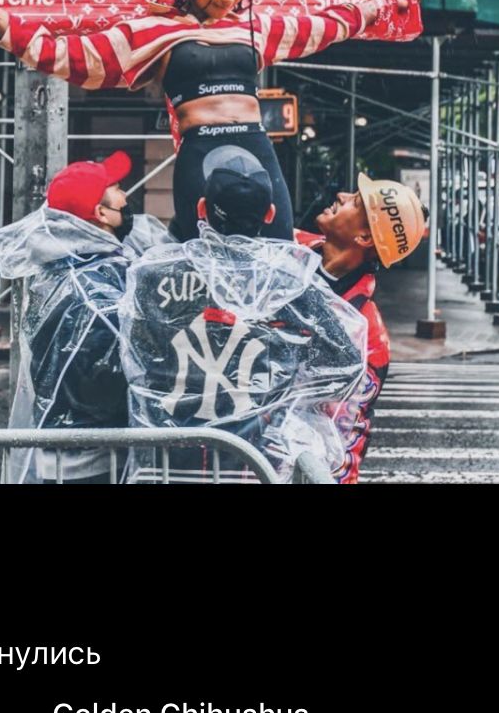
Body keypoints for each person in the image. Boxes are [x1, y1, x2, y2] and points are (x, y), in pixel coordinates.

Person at [0, 0, 422, 242]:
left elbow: (323, 25)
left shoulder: (253, 28)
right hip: (200, 159)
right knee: (203, 263)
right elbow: (73, 58)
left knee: (274, 259)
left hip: (260, 154)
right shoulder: (152, 31)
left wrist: (385, 3)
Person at [117, 146, 367, 483]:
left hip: (166, 462)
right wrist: (283, 385)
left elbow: (133, 357)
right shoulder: (290, 284)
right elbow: (347, 367)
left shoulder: (152, 272)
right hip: (251, 464)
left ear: (202, 209)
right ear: (270, 214)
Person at [0, 150, 164, 483]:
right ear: (100, 214)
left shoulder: (64, 270)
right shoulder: (95, 288)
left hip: (67, 455)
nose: (125, 196)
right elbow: (108, 377)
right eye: (116, 189)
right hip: (91, 462)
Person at [294, 173, 428, 483]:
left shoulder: (366, 333)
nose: (340, 195)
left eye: (354, 201)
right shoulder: (285, 247)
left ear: (364, 238)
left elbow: (346, 436)